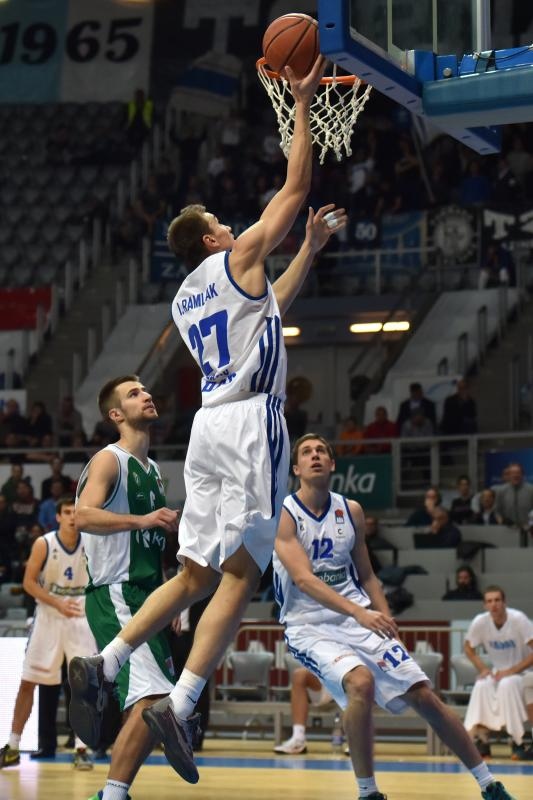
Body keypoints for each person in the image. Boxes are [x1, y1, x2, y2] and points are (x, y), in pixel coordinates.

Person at [68, 56, 346, 786]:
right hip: (253, 424)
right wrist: (304, 103)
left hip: (208, 430)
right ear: (214, 241)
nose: (233, 227)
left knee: (194, 571)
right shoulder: (240, 252)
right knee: (243, 571)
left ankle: (109, 659)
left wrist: (311, 251)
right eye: (225, 226)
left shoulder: (186, 300)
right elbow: (296, 187)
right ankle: (182, 699)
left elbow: (268, 304)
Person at [272, 433, 517, 800]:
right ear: (296, 469)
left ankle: (488, 784)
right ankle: (368, 792)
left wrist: (387, 623)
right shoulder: (284, 514)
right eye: (307, 452)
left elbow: (368, 575)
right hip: (309, 625)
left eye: (322, 450)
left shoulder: (351, 510)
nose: (315, 455)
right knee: (361, 683)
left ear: (333, 463)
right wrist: (361, 613)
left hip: (357, 617)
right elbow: (304, 580)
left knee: (422, 693)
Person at [70, 375, 180, 800]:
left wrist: (168, 599)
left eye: (146, 390)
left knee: (153, 705)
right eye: (134, 394)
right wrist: (145, 519)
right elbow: (84, 517)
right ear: (116, 415)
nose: (147, 395)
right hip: (116, 591)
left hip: (146, 595)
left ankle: (113, 793)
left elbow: (150, 544)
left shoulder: (151, 469)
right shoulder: (109, 460)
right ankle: (111, 795)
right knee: (156, 698)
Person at [0, 497, 95, 770]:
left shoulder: (91, 543)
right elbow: (28, 582)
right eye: (67, 512)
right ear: (58, 517)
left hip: (79, 614)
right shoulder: (44, 543)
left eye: (76, 512)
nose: (72, 517)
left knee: (83, 686)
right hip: (49, 616)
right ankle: (13, 746)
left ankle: (81, 748)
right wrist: (56, 602)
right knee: (28, 681)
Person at [463, 586, 533, 761]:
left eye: (497, 600)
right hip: (499, 673)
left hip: (524, 672)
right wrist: (483, 669)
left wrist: (511, 671)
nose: (493, 604)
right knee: (482, 684)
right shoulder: (480, 621)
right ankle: (482, 740)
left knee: (507, 684)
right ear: (485, 605)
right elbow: (468, 647)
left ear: (504, 602)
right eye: (489, 601)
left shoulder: (518, 619)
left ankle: (518, 740)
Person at [273, 666, 334, 755]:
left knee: (353, 673)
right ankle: (298, 739)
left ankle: (358, 743)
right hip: (325, 680)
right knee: (299, 674)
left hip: (348, 676)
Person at [494, 463, 533, 531]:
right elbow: (497, 511)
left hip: (529, 531)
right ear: (508, 475)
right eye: (512, 473)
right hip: (507, 531)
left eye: (518, 473)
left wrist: (530, 525)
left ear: (522, 474)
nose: (515, 475)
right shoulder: (501, 491)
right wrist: (502, 522)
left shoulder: (531, 490)